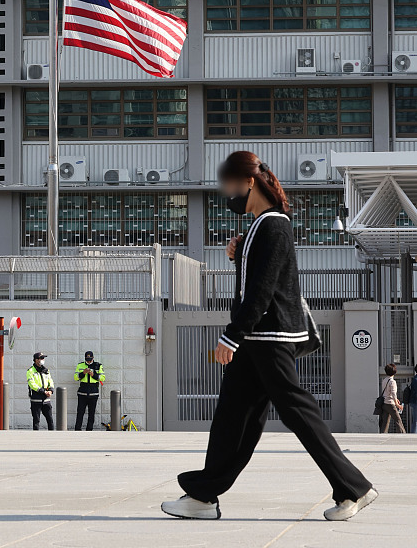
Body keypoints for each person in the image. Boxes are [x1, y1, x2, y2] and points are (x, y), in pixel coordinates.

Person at [161, 151, 378, 523]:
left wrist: (232, 336)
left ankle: (353, 487)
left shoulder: (273, 225)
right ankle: (203, 495)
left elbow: (261, 291)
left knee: (297, 412)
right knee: (233, 417)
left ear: (249, 182)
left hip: (268, 336)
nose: (227, 193)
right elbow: (257, 278)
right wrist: (239, 254)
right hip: (258, 339)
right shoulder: (261, 225)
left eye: (230, 185)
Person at [74, 350, 105, 431]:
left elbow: (102, 378)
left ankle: (89, 430)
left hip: (93, 392)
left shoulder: (98, 365)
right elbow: (75, 377)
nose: (88, 361)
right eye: (87, 360)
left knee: (91, 413)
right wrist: (83, 373)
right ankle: (77, 429)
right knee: (80, 412)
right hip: (82, 392)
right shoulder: (80, 365)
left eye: (90, 359)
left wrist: (93, 375)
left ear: (93, 358)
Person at [26, 351, 54, 431]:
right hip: (36, 398)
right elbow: (32, 384)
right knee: (36, 421)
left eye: (43, 358)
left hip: (46, 399)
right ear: (36, 360)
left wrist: (51, 390)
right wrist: (42, 391)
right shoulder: (30, 371)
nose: (43, 360)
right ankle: (36, 437)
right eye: (41, 358)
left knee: (50, 420)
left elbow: (50, 381)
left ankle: (52, 436)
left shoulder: (46, 370)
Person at [379, 363, 406, 434]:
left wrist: (396, 399)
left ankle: (383, 434)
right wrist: (397, 404)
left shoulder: (384, 380)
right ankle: (402, 434)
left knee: (385, 421)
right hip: (390, 403)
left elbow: (387, 392)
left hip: (384, 403)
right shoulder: (392, 381)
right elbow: (393, 393)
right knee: (398, 419)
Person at [408, 364, 417, 434]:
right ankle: (413, 434)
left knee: (415, 420)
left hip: (414, 401)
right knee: (416, 420)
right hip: (416, 402)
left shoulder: (414, 378)